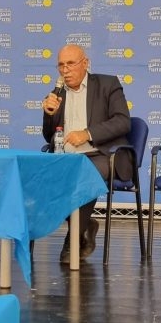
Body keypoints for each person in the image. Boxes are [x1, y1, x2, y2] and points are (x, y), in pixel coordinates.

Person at [41, 44, 131, 263]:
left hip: (101, 154)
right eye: (61, 65)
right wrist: (49, 114)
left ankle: (71, 241)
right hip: (66, 156)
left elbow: (123, 122)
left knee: (84, 175)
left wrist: (88, 133)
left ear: (85, 63)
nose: (65, 70)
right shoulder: (57, 93)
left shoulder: (107, 84)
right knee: (43, 178)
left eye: (70, 64)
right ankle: (85, 224)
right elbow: (49, 136)